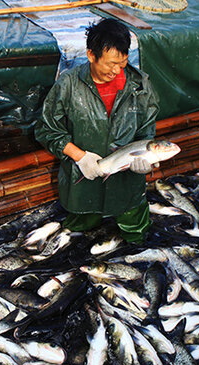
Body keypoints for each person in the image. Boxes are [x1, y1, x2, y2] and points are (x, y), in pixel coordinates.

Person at [35, 18, 160, 243]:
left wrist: (146, 160)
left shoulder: (140, 86)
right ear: (91, 55)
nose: (116, 70)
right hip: (83, 181)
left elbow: (146, 133)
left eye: (122, 63)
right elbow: (46, 129)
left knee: (137, 235)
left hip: (127, 184)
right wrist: (80, 156)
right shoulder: (68, 84)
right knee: (76, 234)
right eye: (110, 63)